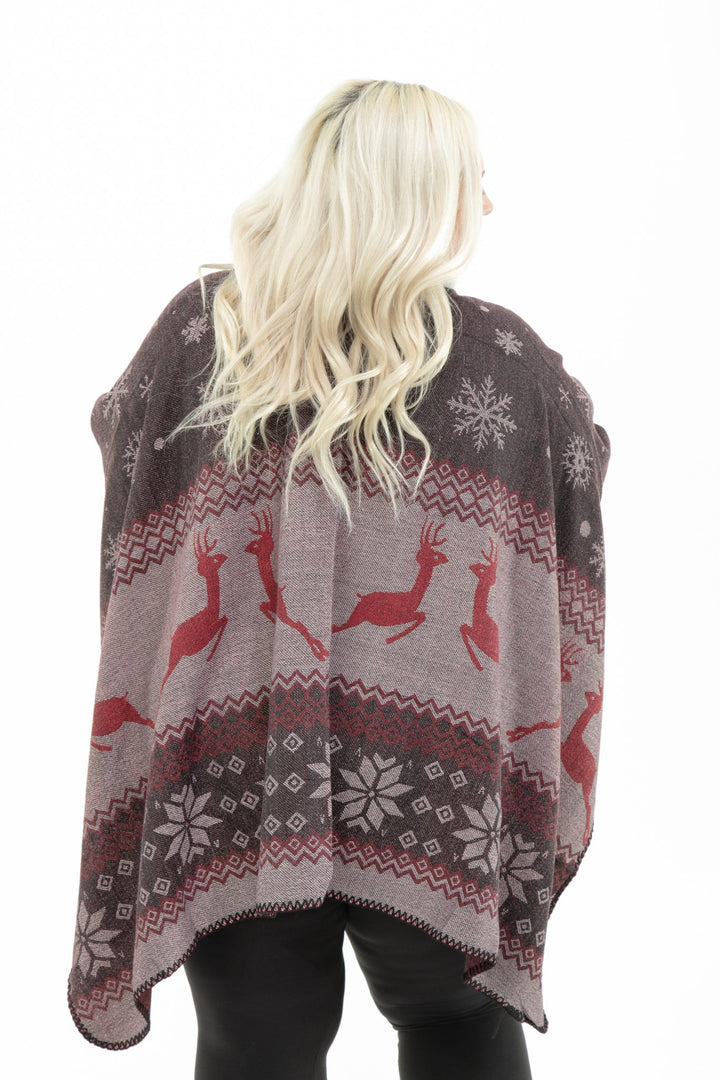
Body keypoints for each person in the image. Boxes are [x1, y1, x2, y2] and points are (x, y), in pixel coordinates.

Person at [67, 79, 610, 1080]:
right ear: (414, 190)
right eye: (471, 180)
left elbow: (125, 442)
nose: (487, 203)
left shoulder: (202, 334)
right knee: (454, 1029)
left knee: (255, 1042)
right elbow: (576, 469)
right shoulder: (507, 363)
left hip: (232, 762)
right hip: (437, 778)